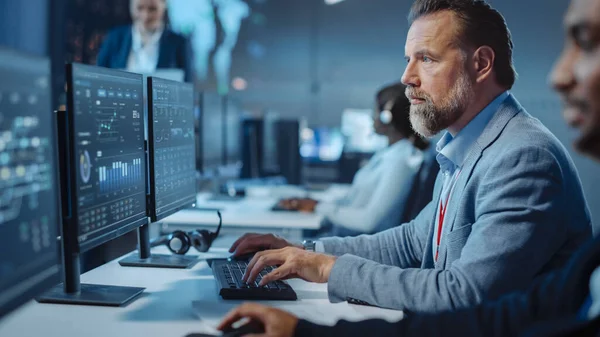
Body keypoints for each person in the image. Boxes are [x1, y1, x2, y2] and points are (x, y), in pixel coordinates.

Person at [217, 0, 600, 335]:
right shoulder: (465, 147)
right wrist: (302, 250)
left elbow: (465, 296)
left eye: (427, 59)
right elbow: (409, 243)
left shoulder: (523, 156)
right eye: (408, 59)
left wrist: (328, 269)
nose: (407, 78)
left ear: (481, 64)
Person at [279, 82, 436, 237]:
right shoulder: (389, 154)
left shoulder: (401, 162)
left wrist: (319, 207)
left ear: (387, 117)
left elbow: (369, 221)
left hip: (359, 244)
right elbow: (354, 199)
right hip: (345, 236)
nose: (372, 116)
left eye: (375, 110)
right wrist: (315, 203)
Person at [96, 0, 191, 80]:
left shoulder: (179, 43)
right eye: (139, 8)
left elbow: (188, 86)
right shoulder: (114, 38)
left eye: (152, 9)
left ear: (164, 5)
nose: (145, 16)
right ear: (131, 6)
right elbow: (99, 76)